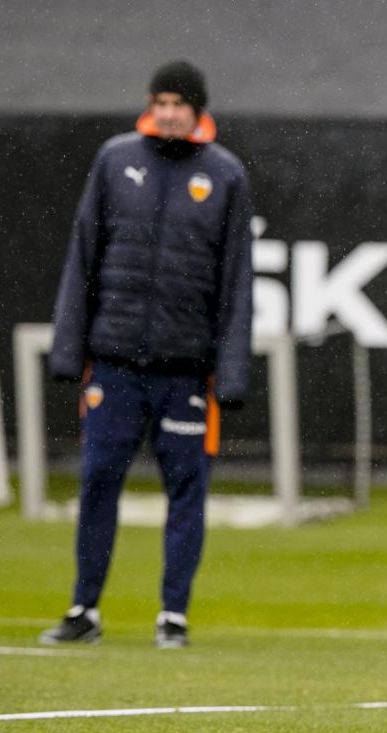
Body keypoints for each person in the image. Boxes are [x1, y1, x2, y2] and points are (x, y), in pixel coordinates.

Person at [39, 60, 254, 649]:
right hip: (112, 366)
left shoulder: (226, 175)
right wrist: (68, 350)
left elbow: (238, 283)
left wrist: (230, 374)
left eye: (178, 102)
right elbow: (82, 256)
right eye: (159, 101)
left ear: (198, 109)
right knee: (96, 483)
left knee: (187, 493)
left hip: (186, 374)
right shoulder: (115, 160)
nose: (167, 112)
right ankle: (84, 610)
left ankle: (173, 618)